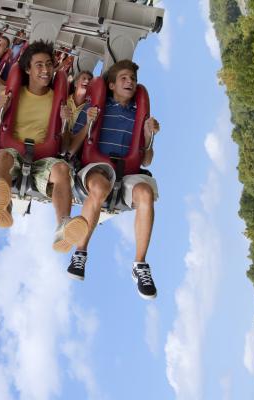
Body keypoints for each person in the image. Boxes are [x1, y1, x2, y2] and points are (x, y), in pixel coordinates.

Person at [0, 40, 88, 252]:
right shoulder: (10, 94)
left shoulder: (59, 101)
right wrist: (0, 110)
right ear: (28, 69)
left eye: (49, 64)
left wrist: (66, 123)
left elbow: (65, 148)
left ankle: (63, 227)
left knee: (62, 169)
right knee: (4, 157)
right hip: (10, 156)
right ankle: (1, 206)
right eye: (39, 65)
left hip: (42, 161)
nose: (45, 70)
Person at [67, 60, 161, 299]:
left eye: (133, 80)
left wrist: (149, 136)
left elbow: (146, 160)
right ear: (111, 85)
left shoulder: (138, 116)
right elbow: (71, 148)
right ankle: (80, 252)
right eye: (124, 78)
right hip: (96, 169)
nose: (130, 82)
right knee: (100, 186)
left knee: (146, 193)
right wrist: (88, 121)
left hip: (126, 173)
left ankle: (140, 264)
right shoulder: (95, 108)